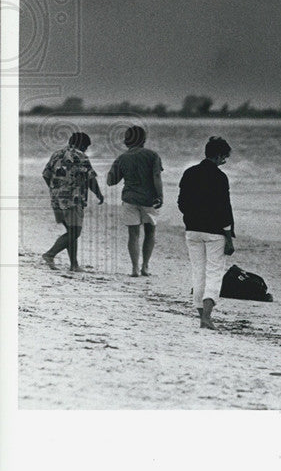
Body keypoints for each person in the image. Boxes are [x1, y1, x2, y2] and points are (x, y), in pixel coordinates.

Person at [177, 136, 235, 330]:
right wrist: (228, 236)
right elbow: (225, 209)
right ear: (218, 155)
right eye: (224, 157)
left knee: (198, 272)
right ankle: (207, 317)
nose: (224, 161)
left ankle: (202, 315)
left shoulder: (189, 173)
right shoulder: (220, 178)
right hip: (215, 233)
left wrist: (192, 216)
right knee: (214, 273)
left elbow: (181, 203)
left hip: (192, 230)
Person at [41, 131, 104, 271]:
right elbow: (90, 179)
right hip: (73, 200)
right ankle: (50, 254)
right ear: (82, 145)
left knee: (70, 231)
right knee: (75, 232)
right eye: (86, 146)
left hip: (56, 200)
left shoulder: (56, 154)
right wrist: (99, 194)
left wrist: (55, 189)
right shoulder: (81, 156)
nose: (86, 149)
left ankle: (74, 265)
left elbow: (46, 175)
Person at [106, 125, 163, 277]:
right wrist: (160, 196)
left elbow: (111, 181)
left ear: (126, 140)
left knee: (133, 234)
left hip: (130, 199)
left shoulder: (122, 158)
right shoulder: (152, 155)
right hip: (149, 200)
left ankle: (134, 269)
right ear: (143, 140)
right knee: (150, 232)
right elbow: (157, 177)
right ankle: (145, 267)